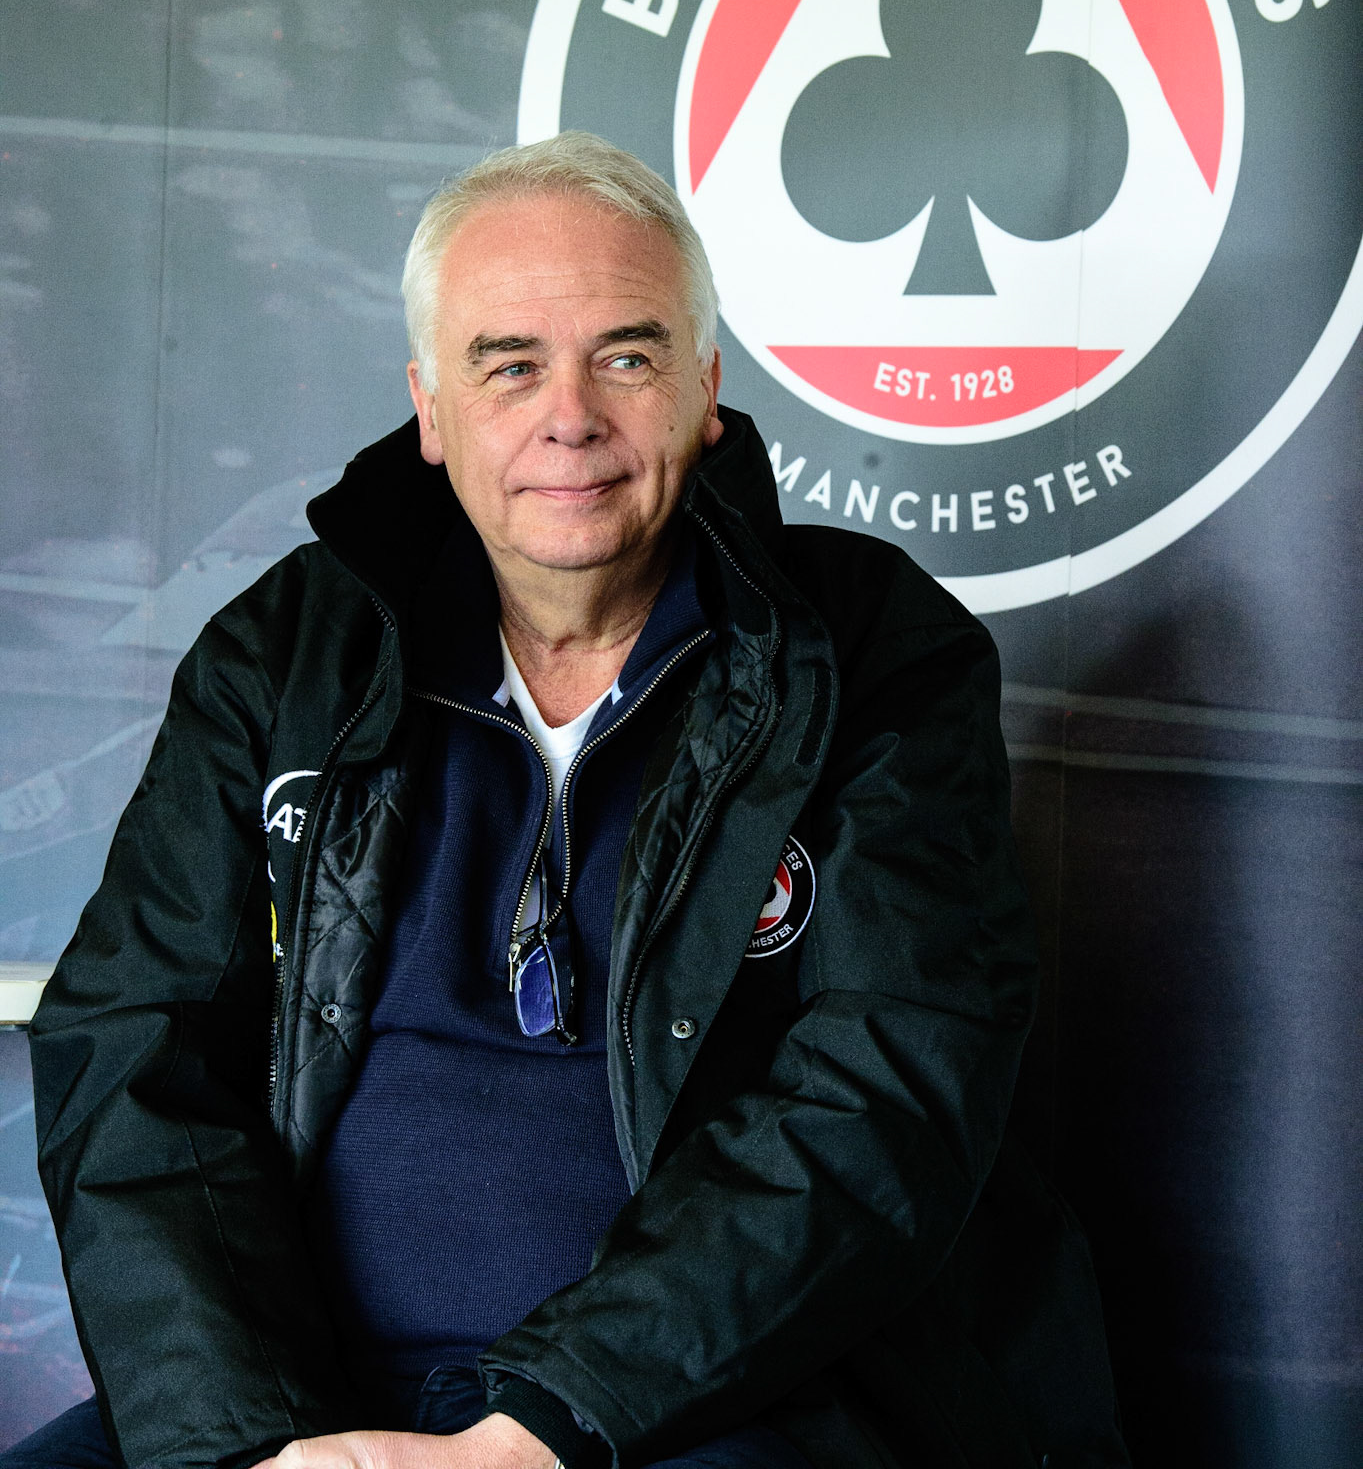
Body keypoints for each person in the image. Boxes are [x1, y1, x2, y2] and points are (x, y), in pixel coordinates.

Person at [20, 134, 1128, 1469]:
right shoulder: (289, 654)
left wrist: (538, 1427)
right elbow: (133, 1041)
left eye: (628, 355)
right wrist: (246, 1441)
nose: (571, 417)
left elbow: (890, 1086)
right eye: (509, 365)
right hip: (304, 1401)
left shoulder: (874, 652)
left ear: (705, 392)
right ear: (430, 409)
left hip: (716, 1398)